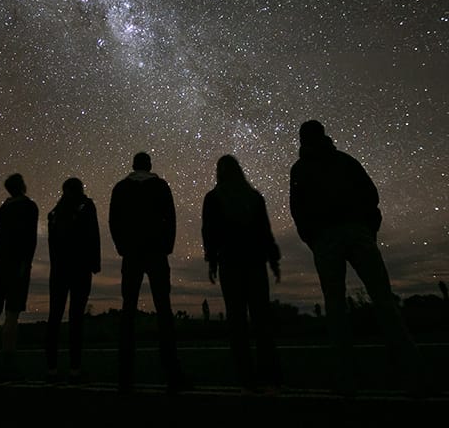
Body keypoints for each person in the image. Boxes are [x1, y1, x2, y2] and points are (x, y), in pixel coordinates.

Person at [289, 120, 427, 397]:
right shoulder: (343, 160)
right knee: (382, 298)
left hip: (331, 237)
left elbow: (298, 209)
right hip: (352, 232)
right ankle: (410, 368)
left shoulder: (302, 168)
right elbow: (370, 195)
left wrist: (314, 239)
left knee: (337, 305)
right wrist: (367, 229)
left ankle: (347, 375)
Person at [109, 151, 189, 394]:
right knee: (163, 308)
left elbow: (114, 221)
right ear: (149, 165)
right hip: (156, 252)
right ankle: (172, 371)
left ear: (133, 166)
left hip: (132, 253)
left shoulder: (121, 188)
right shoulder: (160, 186)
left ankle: (124, 375)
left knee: (128, 311)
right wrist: (166, 246)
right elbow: (170, 218)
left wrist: (122, 247)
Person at [202, 154, 282, 394]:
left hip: (230, 263)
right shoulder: (254, 197)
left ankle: (246, 377)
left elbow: (209, 232)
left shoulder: (213, 198)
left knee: (236, 321)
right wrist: (273, 260)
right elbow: (265, 231)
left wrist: (212, 260)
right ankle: (269, 374)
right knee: (261, 319)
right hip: (255, 262)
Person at [0, 173, 39, 382]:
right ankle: (8, 365)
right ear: (22, 186)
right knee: (12, 314)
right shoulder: (29, 207)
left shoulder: (3, 209)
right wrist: (25, 264)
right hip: (17, 265)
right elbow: (30, 239)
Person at [45, 177, 101, 384]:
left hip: (58, 271)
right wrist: (95, 263)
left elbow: (52, 246)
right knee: (76, 318)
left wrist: (55, 266)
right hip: (80, 269)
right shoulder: (86, 206)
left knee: (54, 317)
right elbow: (93, 235)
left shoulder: (54, 213)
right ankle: (75, 369)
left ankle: (51, 369)